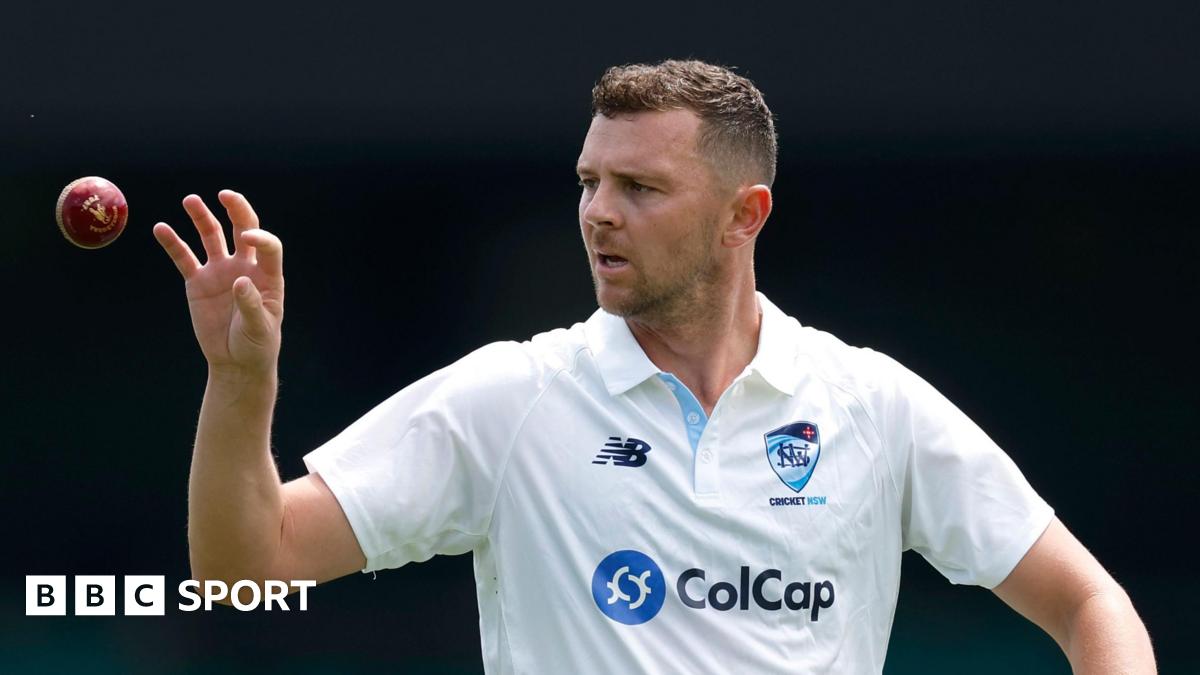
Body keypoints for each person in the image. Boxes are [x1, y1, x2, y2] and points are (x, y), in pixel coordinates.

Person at [153, 60, 1156, 673]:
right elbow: (248, 569)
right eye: (590, 182)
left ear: (742, 215)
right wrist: (241, 385)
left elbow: (1088, 602)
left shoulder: (870, 403)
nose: (598, 212)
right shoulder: (511, 398)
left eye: (640, 187)